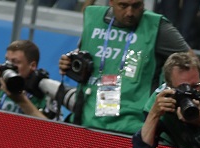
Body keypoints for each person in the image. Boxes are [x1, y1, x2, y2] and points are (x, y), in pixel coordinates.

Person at [59, 0, 191, 135]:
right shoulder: (93, 17)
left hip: (134, 129)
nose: (130, 13)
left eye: (136, 6)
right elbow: (86, 50)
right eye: (123, 5)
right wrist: (70, 61)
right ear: (111, 2)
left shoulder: (157, 26)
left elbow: (190, 63)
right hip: (88, 121)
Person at [0, 40, 60, 119]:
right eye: (7, 60)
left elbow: (56, 134)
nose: (9, 66)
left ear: (32, 65)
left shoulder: (45, 93)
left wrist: (22, 101)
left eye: (15, 62)